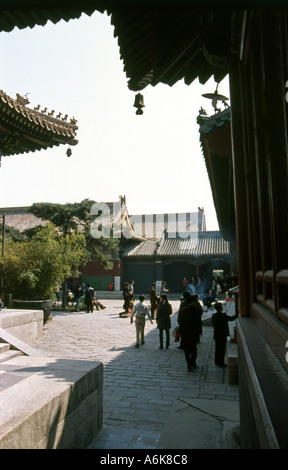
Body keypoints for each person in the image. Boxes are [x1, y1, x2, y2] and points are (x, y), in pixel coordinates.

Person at [178, 294, 202, 371]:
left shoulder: (182, 310)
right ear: (193, 302)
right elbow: (199, 322)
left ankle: (188, 362)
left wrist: (180, 332)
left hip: (185, 332)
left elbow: (180, 321)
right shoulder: (197, 311)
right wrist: (199, 332)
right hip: (194, 332)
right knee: (193, 348)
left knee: (186, 349)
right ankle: (193, 361)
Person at [212, 302, 239, 367]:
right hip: (222, 334)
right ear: (220, 308)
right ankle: (221, 363)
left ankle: (217, 361)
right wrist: (237, 314)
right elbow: (231, 318)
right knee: (222, 349)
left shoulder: (214, 315)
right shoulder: (223, 316)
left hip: (216, 334)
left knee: (217, 348)